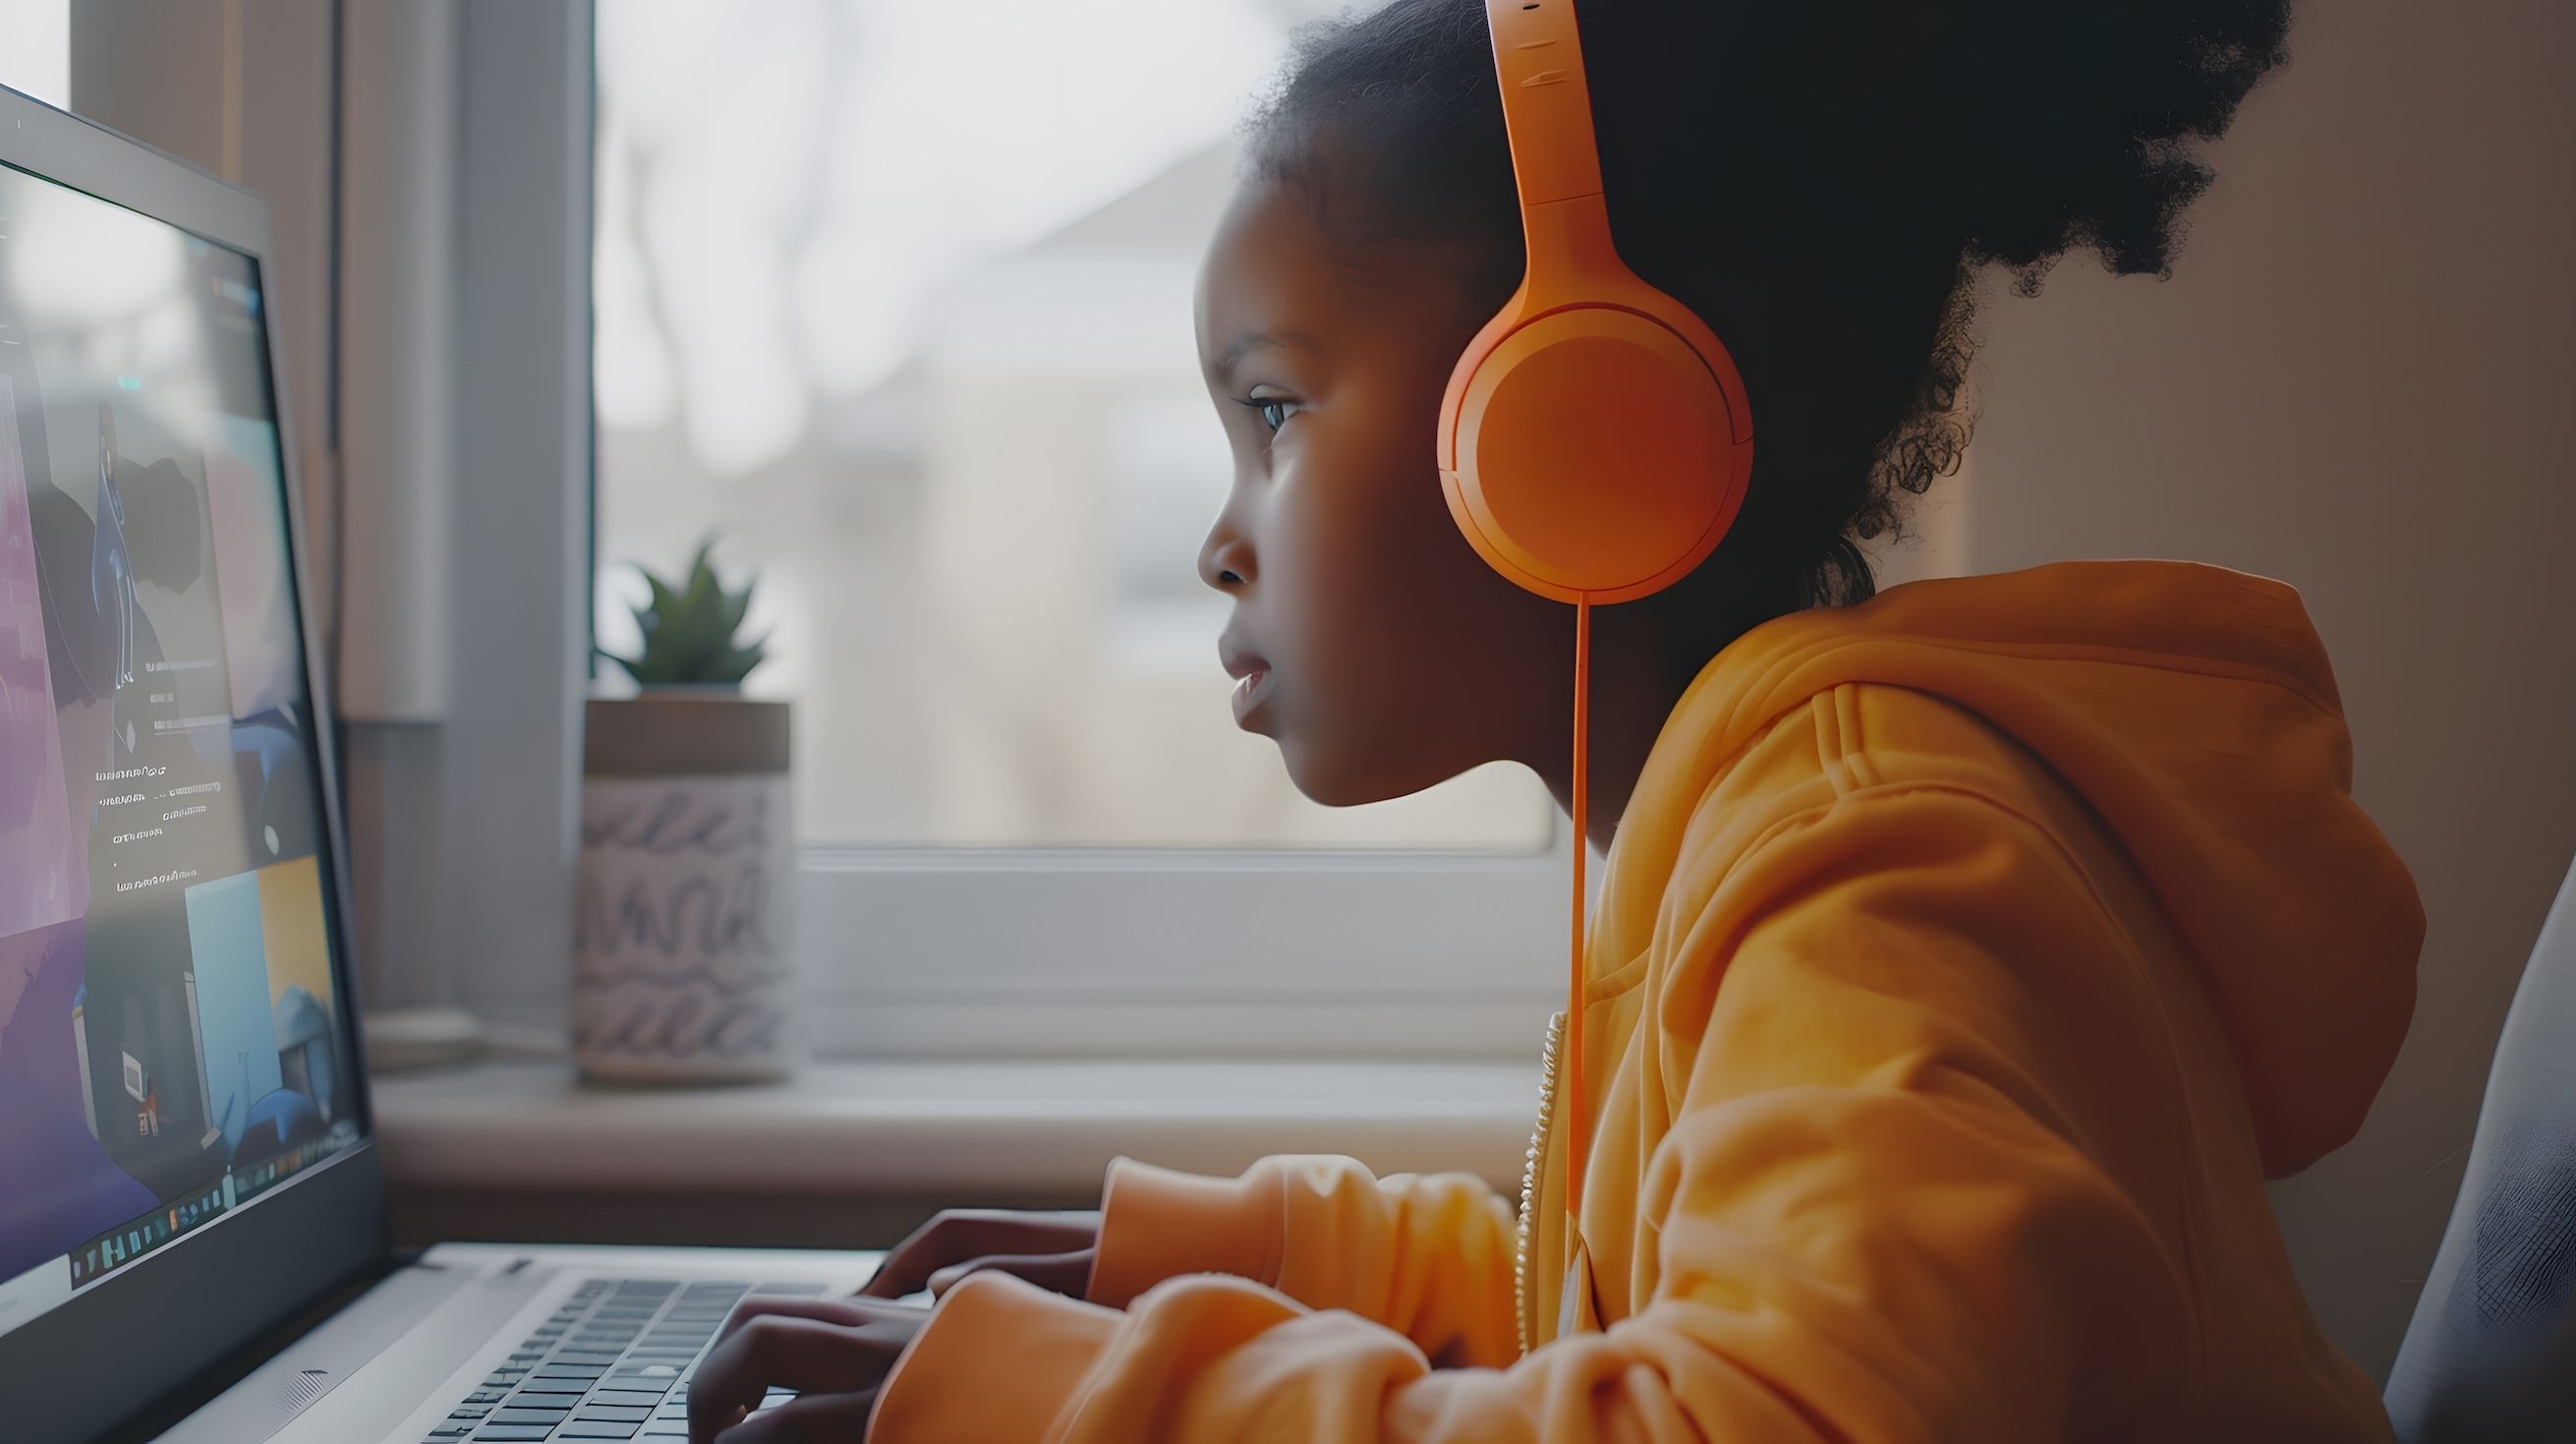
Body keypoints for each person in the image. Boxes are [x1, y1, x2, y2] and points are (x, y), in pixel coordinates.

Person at [687, 0, 2425, 1438]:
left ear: (1567, 422)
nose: (1223, 539)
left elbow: (1756, 1424)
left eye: (1276, 408)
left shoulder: (1876, 866)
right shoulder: (1764, 825)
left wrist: (1088, 1411)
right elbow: (1617, 1306)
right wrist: (1249, 1257)